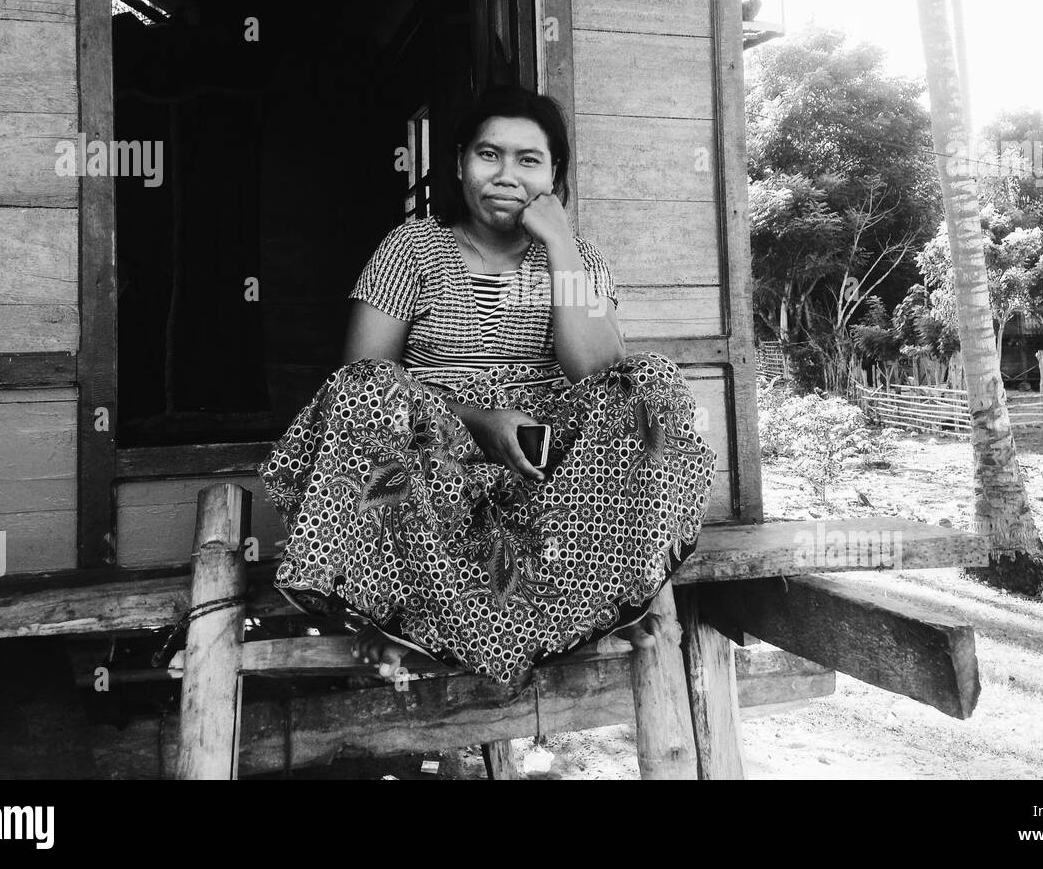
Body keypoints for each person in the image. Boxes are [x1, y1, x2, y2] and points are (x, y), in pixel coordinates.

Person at [257, 85, 717, 694]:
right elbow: (360, 375)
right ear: (458, 164)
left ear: (554, 175)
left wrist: (559, 244)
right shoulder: (413, 248)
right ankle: (398, 612)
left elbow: (599, 371)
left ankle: (583, 605)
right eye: (488, 154)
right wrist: (482, 420)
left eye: (529, 160)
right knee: (368, 387)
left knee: (651, 380)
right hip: (432, 467)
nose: (506, 174)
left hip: (551, 474)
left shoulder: (574, 256)